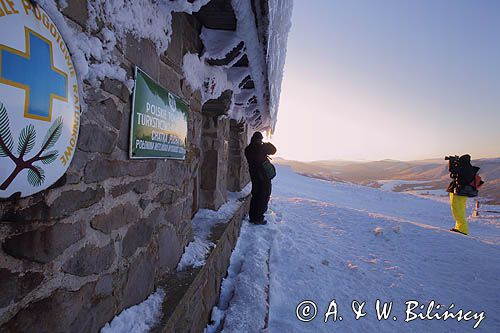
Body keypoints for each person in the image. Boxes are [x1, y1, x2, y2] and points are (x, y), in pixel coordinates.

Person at [446, 154, 483, 235]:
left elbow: (452, 169)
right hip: (462, 193)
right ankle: (459, 228)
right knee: (460, 211)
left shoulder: (464, 168)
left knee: (457, 211)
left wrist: (451, 161)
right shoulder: (469, 168)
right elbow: (455, 174)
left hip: (459, 193)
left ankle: (462, 230)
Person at [245, 132, 277, 225]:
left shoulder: (248, 149)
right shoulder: (261, 148)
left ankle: (253, 217)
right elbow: (273, 150)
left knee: (255, 196)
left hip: (254, 176)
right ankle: (258, 218)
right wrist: (264, 144)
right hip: (263, 177)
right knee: (263, 197)